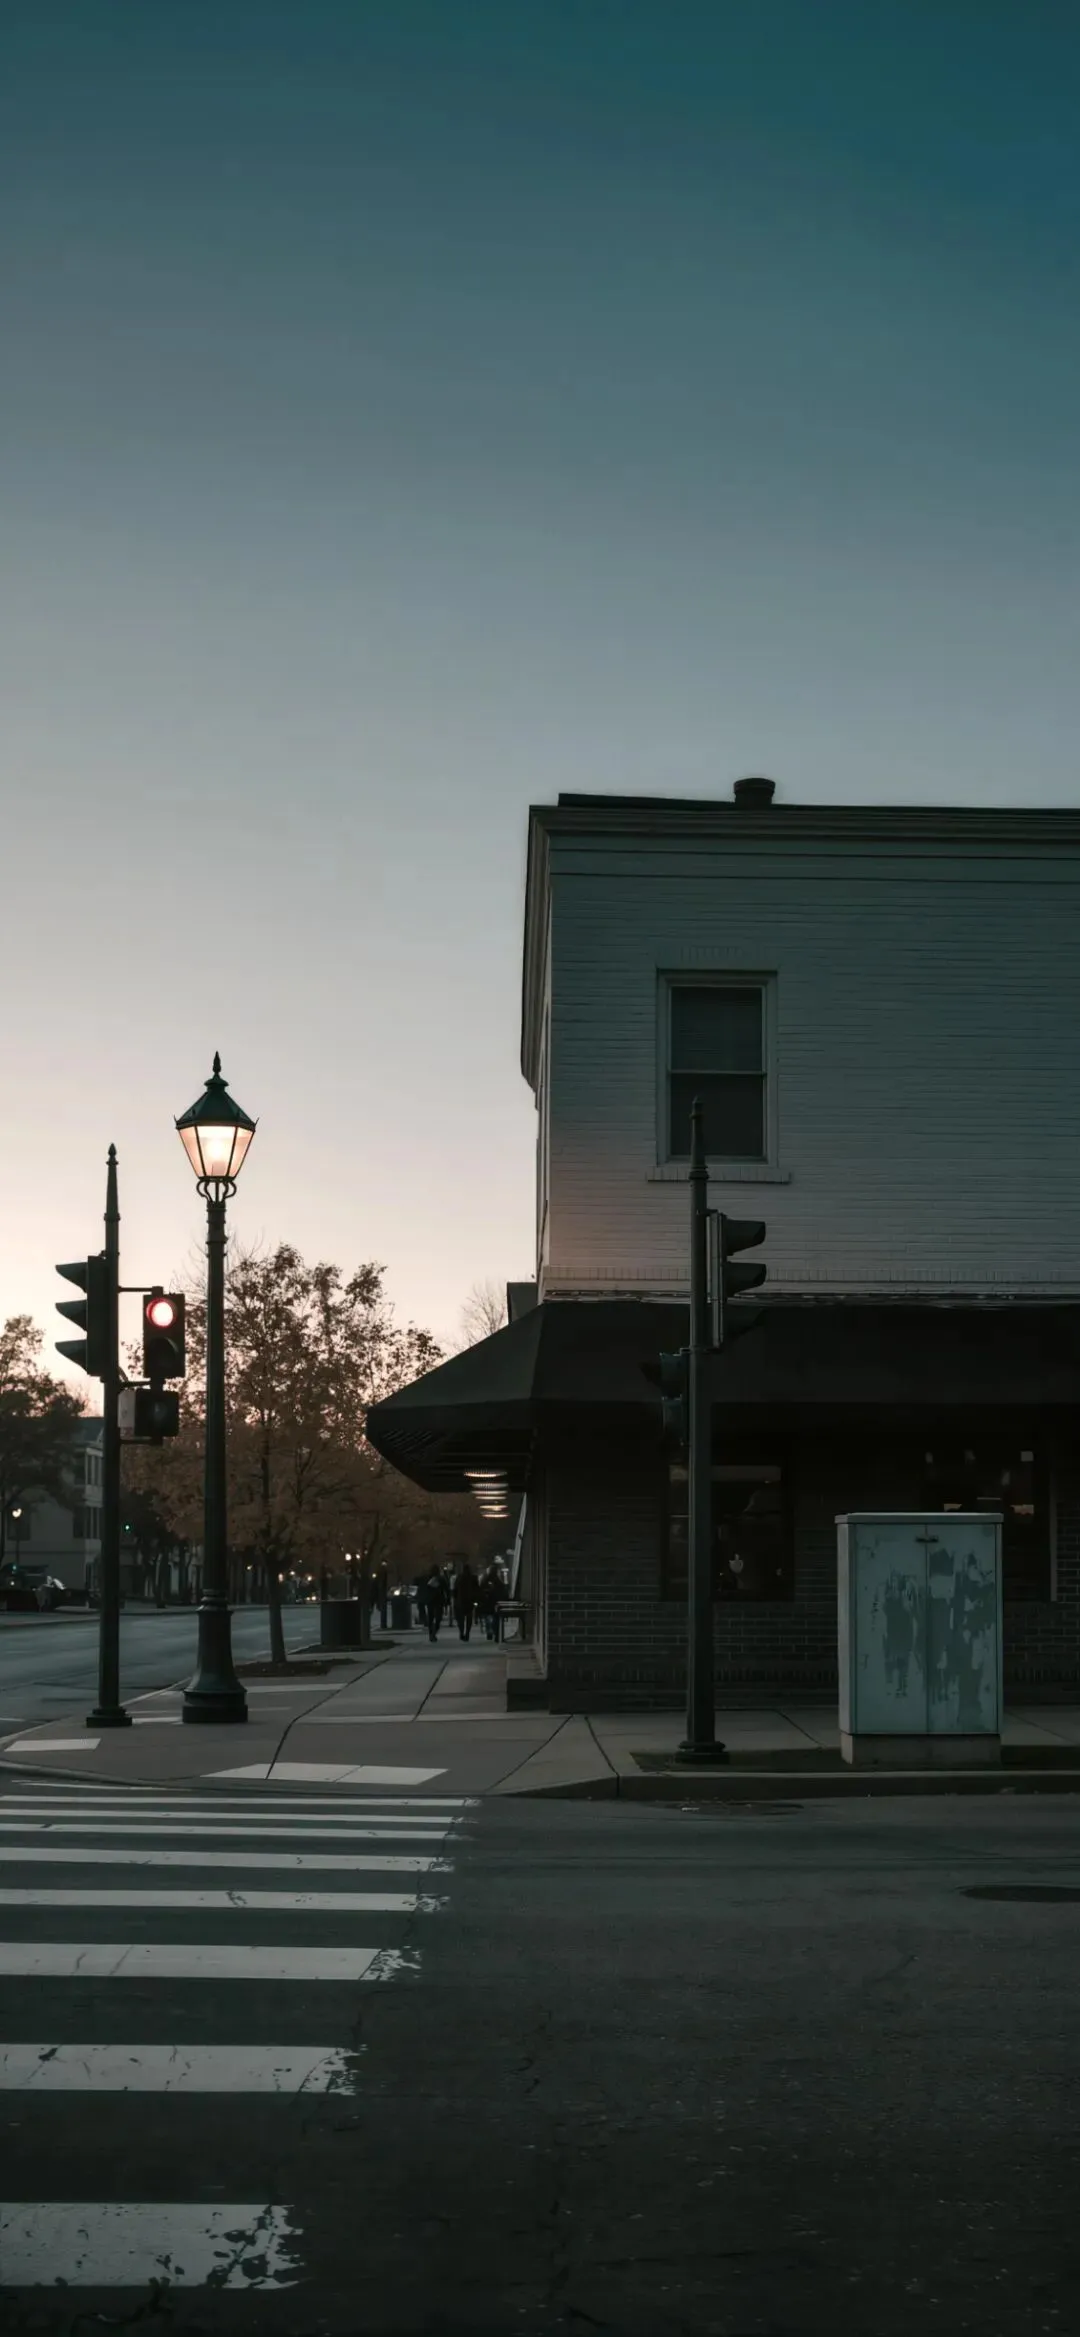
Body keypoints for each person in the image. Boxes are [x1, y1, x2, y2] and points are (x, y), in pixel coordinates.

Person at [453, 1561, 479, 1642]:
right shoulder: (473, 1578)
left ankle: (461, 1632)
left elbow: (455, 1590)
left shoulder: (459, 1578)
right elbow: (477, 1589)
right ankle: (467, 1633)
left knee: (460, 1619)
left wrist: (455, 1598)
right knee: (469, 1618)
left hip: (460, 1601)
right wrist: (476, 1600)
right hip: (470, 1601)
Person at [424, 1564, 446, 1642]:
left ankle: (431, 1633)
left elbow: (424, 1589)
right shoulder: (441, 1579)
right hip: (439, 1600)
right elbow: (446, 1589)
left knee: (431, 1618)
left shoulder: (427, 1579)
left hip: (430, 1600)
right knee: (438, 1618)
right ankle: (434, 1632)